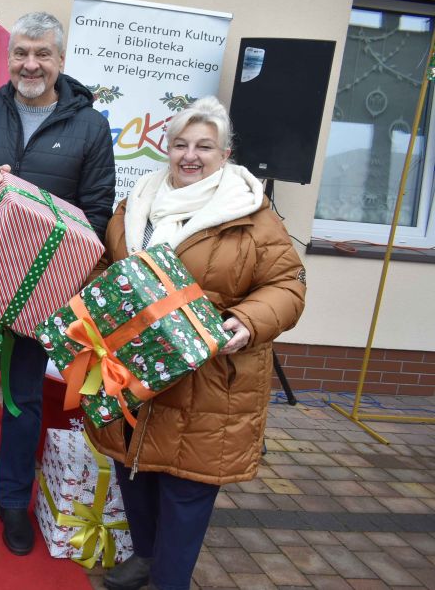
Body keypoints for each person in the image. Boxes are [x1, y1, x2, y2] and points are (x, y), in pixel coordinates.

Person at [88, 96, 306, 590]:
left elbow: (287, 285)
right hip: (133, 369)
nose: (190, 156)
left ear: (225, 154)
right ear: (166, 149)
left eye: (204, 147)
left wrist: (246, 320)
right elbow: (107, 265)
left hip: (207, 378)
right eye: (181, 144)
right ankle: (146, 556)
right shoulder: (137, 202)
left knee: (186, 489)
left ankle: (170, 579)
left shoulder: (251, 214)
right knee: (134, 469)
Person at [0, 11, 116, 555]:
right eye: (20, 53)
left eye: (42, 54)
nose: (30, 65)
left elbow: (98, 212)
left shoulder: (90, 126)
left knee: (23, 397)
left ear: (61, 60)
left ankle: (14, 500)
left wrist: (60, 263)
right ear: (8, 57)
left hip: (41, 292)